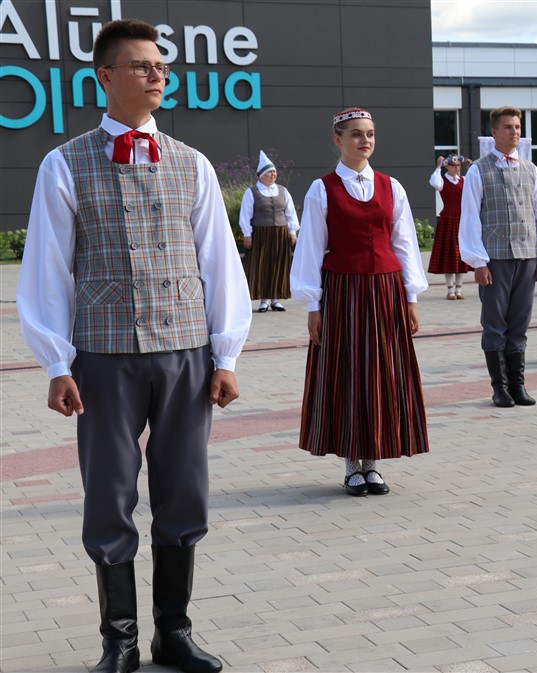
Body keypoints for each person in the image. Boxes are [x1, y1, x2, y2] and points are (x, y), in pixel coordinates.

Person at [15, 18, 250, 673]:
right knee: (108, 494)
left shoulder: (193, 163)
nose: (157, 76)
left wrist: (226, 355)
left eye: (162, 67)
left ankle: (173, 632)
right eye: (142, 66)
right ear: (105, 77)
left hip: (185, 353)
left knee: (185, 491)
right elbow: (47, 269)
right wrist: (56, 362)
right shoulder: (63, 164)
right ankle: (118, 640)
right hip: (102, 357)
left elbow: (219, 263)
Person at [290, 108, 429, 497]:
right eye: (355, 134)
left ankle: (373, 463)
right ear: (338, 140)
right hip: (343, 291)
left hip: (386, 290)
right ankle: (353, 464)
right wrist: (313, 305)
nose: (364, 140)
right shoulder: (322, 189)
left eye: (369, 133)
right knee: (350, 373)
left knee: (382, 373)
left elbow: (404, 243)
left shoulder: (391, 186)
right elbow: (311, 248)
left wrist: (411, 297)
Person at [458, 105, 537, 408]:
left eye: (517, 127)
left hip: (526, 256)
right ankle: (499, 388)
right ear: (494, 132)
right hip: (495, 259)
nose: (514, 132)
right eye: (508, 127)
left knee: (519, 323)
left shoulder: (531, 169)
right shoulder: (478, 170)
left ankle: (518, 385)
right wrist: (478, 262)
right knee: (494, 323)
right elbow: (470, 218)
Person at [239, 150, 299, 312]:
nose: (273, 174)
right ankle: (264, 300)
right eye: (270, 172)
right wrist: (247, 234)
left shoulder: (283, 191)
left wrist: (292, 231)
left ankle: (276, 299)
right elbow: (245, 214)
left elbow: (290, 213)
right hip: (261, 234)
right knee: (263, 265)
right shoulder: (252, 192)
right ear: (261, 175)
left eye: (274, 171)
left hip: (280, 233)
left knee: (279, 264)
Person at [428, 153, 471, 299]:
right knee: (449, 254)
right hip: (448, 219)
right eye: (453, 166)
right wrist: (438, 167)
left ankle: (459, 288)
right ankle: (450, 289)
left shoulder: (463, 180)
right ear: (448, 166)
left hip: (461, 219)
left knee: (461, 255)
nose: (456, 168)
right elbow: (434, 183)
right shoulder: (442, 181)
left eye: (458, 165)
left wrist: (470, 168)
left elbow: (475, 185)